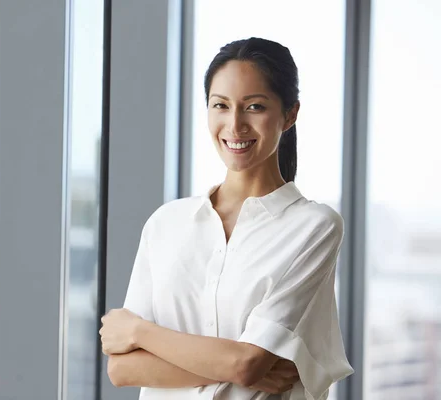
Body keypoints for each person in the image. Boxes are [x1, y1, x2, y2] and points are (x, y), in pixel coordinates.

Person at [99, 37, 353, 400]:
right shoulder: (166, 223)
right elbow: (122, 368)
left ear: (290, 114)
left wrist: (138, 332)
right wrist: (234, 363)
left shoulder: (315, 226)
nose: (235, 125)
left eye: (254, 107)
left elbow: (248, 364)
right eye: (221, 105)